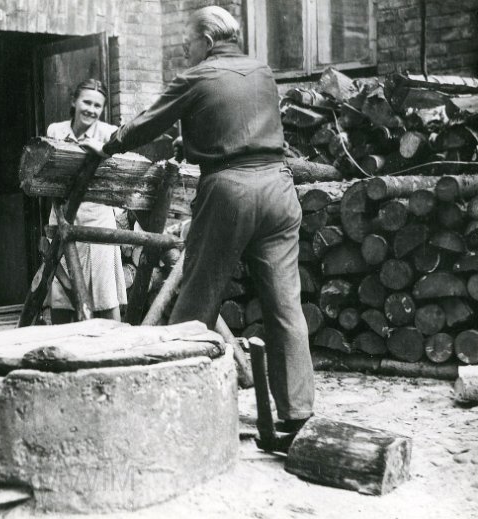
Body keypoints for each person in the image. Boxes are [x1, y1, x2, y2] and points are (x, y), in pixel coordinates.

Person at [84, 6, 314, 431]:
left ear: (207, 41)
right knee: (286, 307)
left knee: (197, 298)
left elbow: (147, 123)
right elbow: (240, 123)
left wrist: (109, 144)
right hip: (280, 189)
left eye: (188, 43)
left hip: (230, 191)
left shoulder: (196, 77)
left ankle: (175, 405)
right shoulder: (262, 71)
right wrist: (191, 141)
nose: (184, 51)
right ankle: (298, 413)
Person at [45, 78, 127, 324]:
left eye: (97, 105)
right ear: (74, 101)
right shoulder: (55, 131)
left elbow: (119, 177)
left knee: (104, 294)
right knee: (61, 292)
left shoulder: (109, 134)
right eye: (86, 102)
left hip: (97, 220)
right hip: (62, 216)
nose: (91, 109)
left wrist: (101, 149)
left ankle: (113, 347)